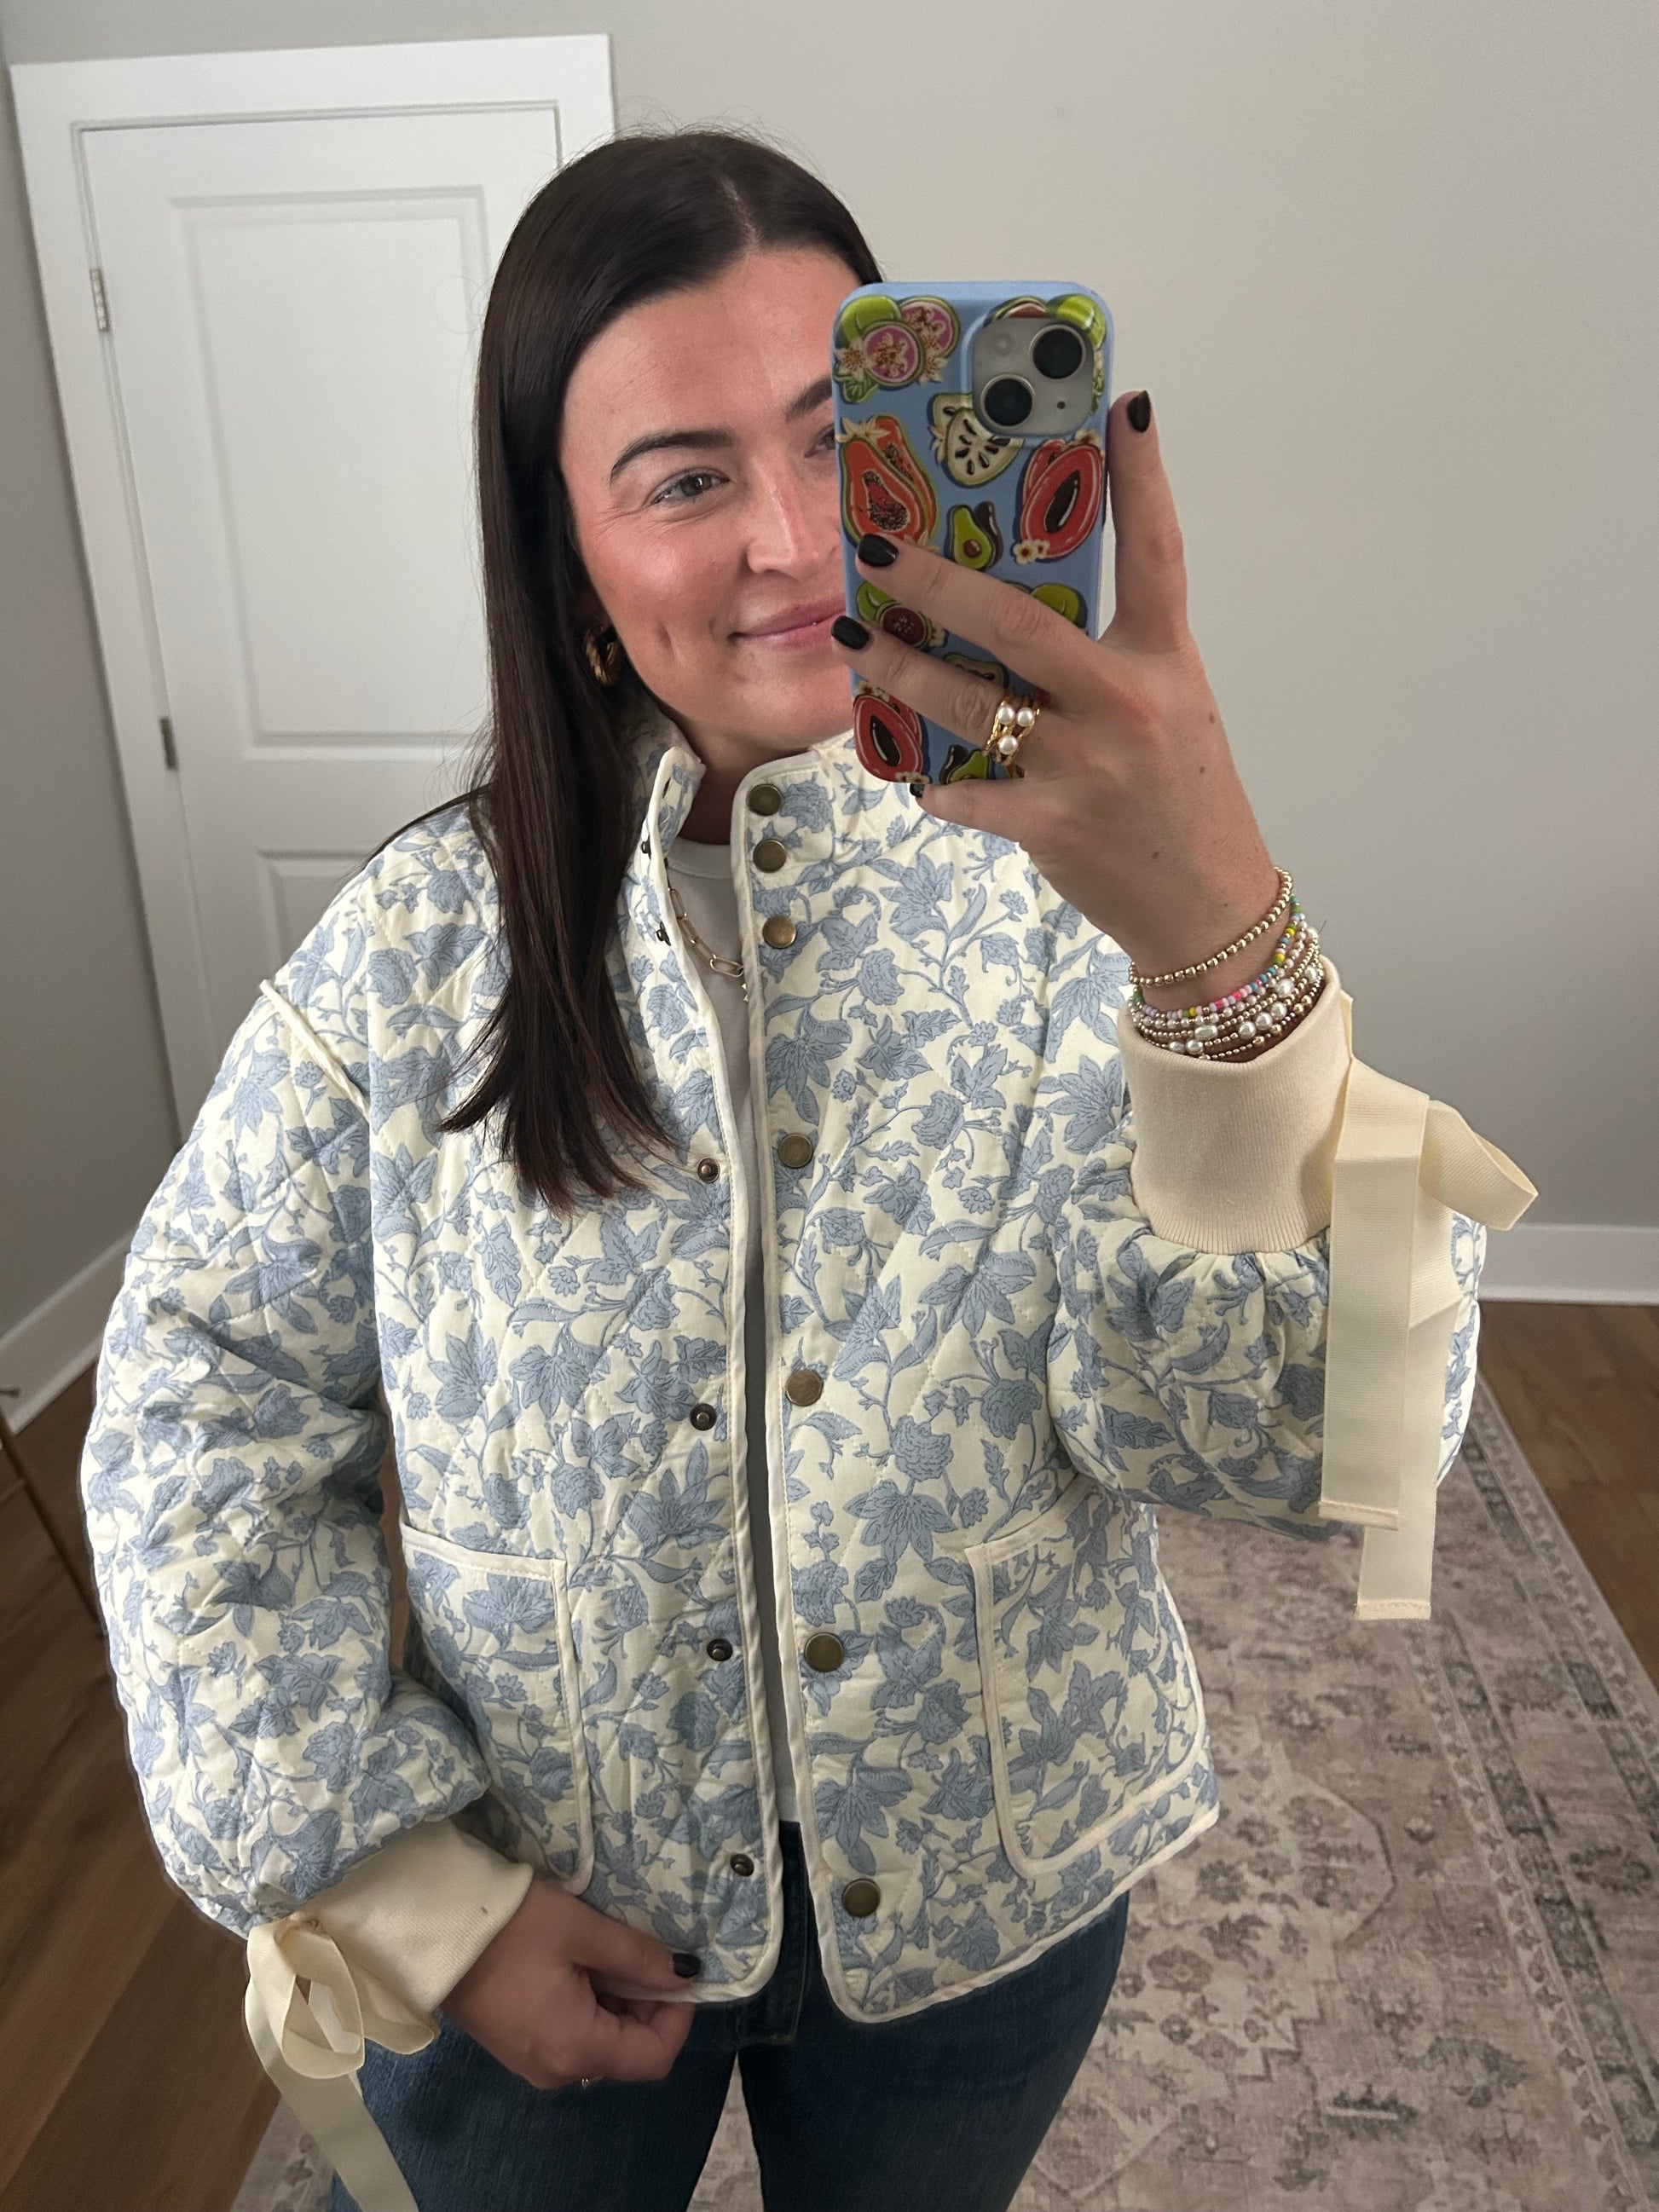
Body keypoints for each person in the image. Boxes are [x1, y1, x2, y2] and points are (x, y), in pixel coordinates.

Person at [78, 128, 1531, 2212]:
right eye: (682, 478)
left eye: (841, 440)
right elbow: (195, 1403)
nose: (793, 543)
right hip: (547, 1903)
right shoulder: (409, 963)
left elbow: (1322, 1451)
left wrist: (1220, 941)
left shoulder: (1087, 915)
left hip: (992, 1905)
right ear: (567, 557)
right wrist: (410, 1891)